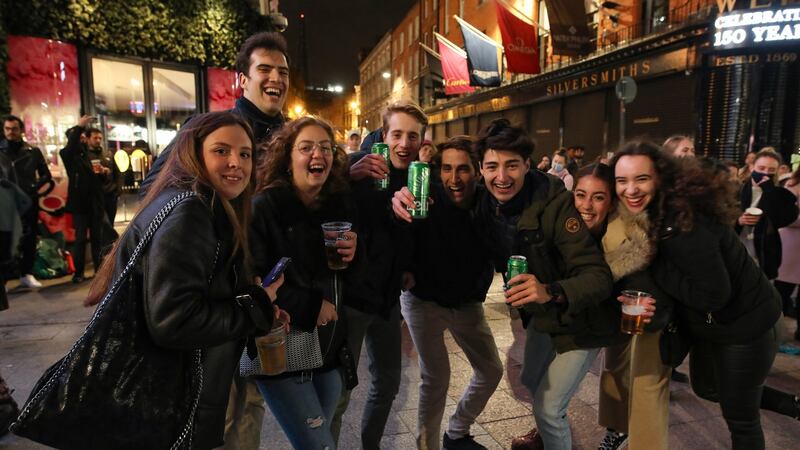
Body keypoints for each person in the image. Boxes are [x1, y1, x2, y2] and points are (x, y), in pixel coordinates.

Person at [85, 111, 283, 449]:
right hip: (173, 406)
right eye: (221, 151)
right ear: (194, 153)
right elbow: (175, 320)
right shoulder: (191, 212)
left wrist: (249, 296)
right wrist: (256, 306)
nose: (236, 162)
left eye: (245, 153)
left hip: (170, 401)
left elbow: (197, 291)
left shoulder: (194, 203)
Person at [614, 142, 785, 449]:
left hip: (747, 324)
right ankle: (789, 403)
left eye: (641, 179)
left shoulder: (683, 222)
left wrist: (653, 262)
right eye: (621, 181)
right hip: (714, 325)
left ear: (661, 177)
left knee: (741, 419)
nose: (631, 189)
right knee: (708, 388)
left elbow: (714, 295)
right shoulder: (659, 213)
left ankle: (755, 397)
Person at [470, 119, 613, 450]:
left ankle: (550, 427)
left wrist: (549, 290)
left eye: (512, 166)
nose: (502, 177)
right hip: (543, 317)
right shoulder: (484, 203)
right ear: (481, 168)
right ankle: (547, 433)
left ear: (527, 166)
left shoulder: (557, 205)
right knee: (533, 382)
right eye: (492, 166)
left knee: (549, 407)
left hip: (582, 319)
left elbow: (598, 277)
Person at [249, 116, 359, 449]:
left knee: (320, 438)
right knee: (318, 445)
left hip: (328, 344)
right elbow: (253, 278)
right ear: (287, 157)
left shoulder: (337, 203)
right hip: (283, 346)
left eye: (325, 148)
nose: (318, 155)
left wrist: (356, 252)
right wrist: (311, 305)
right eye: (306, 147)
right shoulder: (265, 206)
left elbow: (349, 276)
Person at [391, 136, 503, 450]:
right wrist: (405, 266)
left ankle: (457, 431)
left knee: (491, 369)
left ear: (478, 171)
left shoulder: (488, 201)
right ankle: (427, 446)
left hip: (466, 301)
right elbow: (401, 235)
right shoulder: (427, 197)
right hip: (423, 300)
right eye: (447, 169)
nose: (454, 179)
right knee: (436, 377)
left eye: (463, 170)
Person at [331, 100, 427, 449]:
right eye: (397, 134)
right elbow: (319, 193)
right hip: (353, 299)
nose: (405, 143)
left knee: (387, 383)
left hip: (388, 302)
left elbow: (408, 235)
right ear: (383, 135)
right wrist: (347, 172)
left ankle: (369, 445)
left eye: (413, 136)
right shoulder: (358, 167)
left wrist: (409, 267)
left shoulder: (417, 177)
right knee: (339, 390)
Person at [143, 31, 289, 193]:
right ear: (243, 80)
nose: (276, 78)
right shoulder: (203, 129)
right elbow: (152, 189)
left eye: (283, 72)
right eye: (264, 69)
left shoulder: (295, 138)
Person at [60, 116, 116, 283]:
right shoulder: (68, 155)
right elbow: (70, 147)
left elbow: (96, 179)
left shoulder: (88, 155)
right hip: (80, 205)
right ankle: (78, 273)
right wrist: (79, 127)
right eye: (80, 136)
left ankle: (99, 271)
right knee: (80, 240)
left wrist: (105, 174)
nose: (83, 138)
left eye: (84, 136)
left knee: (98, 239)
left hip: (96, 203)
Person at [0, 115, 52, 288]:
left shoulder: (32, 151)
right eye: (7, 129)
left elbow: (46, 175)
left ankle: (26, 273)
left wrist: (34, 188)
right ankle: (5, 278)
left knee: (29, 238)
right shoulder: (1, 151)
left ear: (20, 130)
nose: (10, 132)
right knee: (6, 240)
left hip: (28, 200)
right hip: (6, 202)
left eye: (14, 129)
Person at [735, 149, 798, 281]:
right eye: (761, 168)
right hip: (736, 248)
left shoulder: (781, 195)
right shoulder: (736, 190)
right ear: (752, 167)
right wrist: (738, 221)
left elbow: (784, 219)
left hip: (763, 252)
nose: (765, 173)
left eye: (771, 170)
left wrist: (770, 191)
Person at [775, 165, 800, 336]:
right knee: (781, 291)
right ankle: (774, 329)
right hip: (790, 244)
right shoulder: (791, 184)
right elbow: (783, 215)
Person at [84, 127, 121, 224]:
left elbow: (117, 172)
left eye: (100, 138)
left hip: (110, 194)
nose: (98, 140)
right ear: (88, 139)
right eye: (95, 138)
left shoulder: (107, 154)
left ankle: (111, 239)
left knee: (110, 221)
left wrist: (118, 190)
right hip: (95, 195)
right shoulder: (85, 156)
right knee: (100, 223)